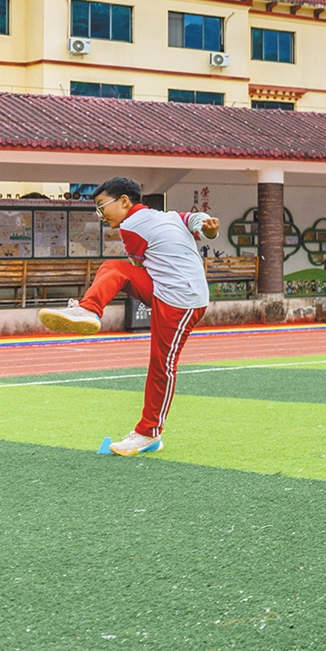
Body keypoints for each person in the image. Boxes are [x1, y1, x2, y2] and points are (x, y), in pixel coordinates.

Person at [38, 176, 219, 456]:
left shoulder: (131, 226)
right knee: (114, 269)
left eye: (101, 206)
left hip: (182, 299)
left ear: (124, 201)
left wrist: (204, 226)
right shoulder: (167, 216)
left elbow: (186, 226)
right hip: (163, 288)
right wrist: (207, 228)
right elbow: (193, 219)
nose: (100, 215)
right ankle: (88, 310)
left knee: (162, 365)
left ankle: (149, 434)